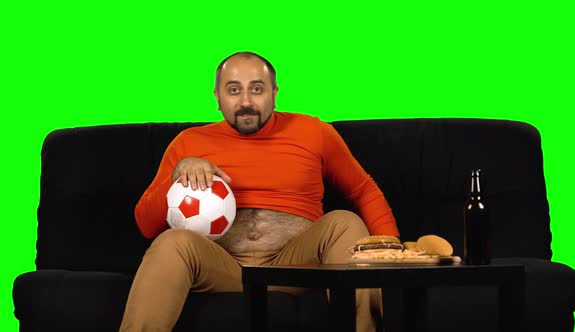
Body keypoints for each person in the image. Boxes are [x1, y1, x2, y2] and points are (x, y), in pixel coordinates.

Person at [119, 51, 400, 332]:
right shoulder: (189, 142)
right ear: (217, 97)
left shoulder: (314, 131)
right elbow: (146, 225)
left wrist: (395, 250)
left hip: (298, 267)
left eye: (256, 89)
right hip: (225, 268)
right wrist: (177, 175)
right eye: (233, 90)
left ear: (274, 93)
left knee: (345, 221)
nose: (245, 102)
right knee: (173, 241)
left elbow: (364, 190)